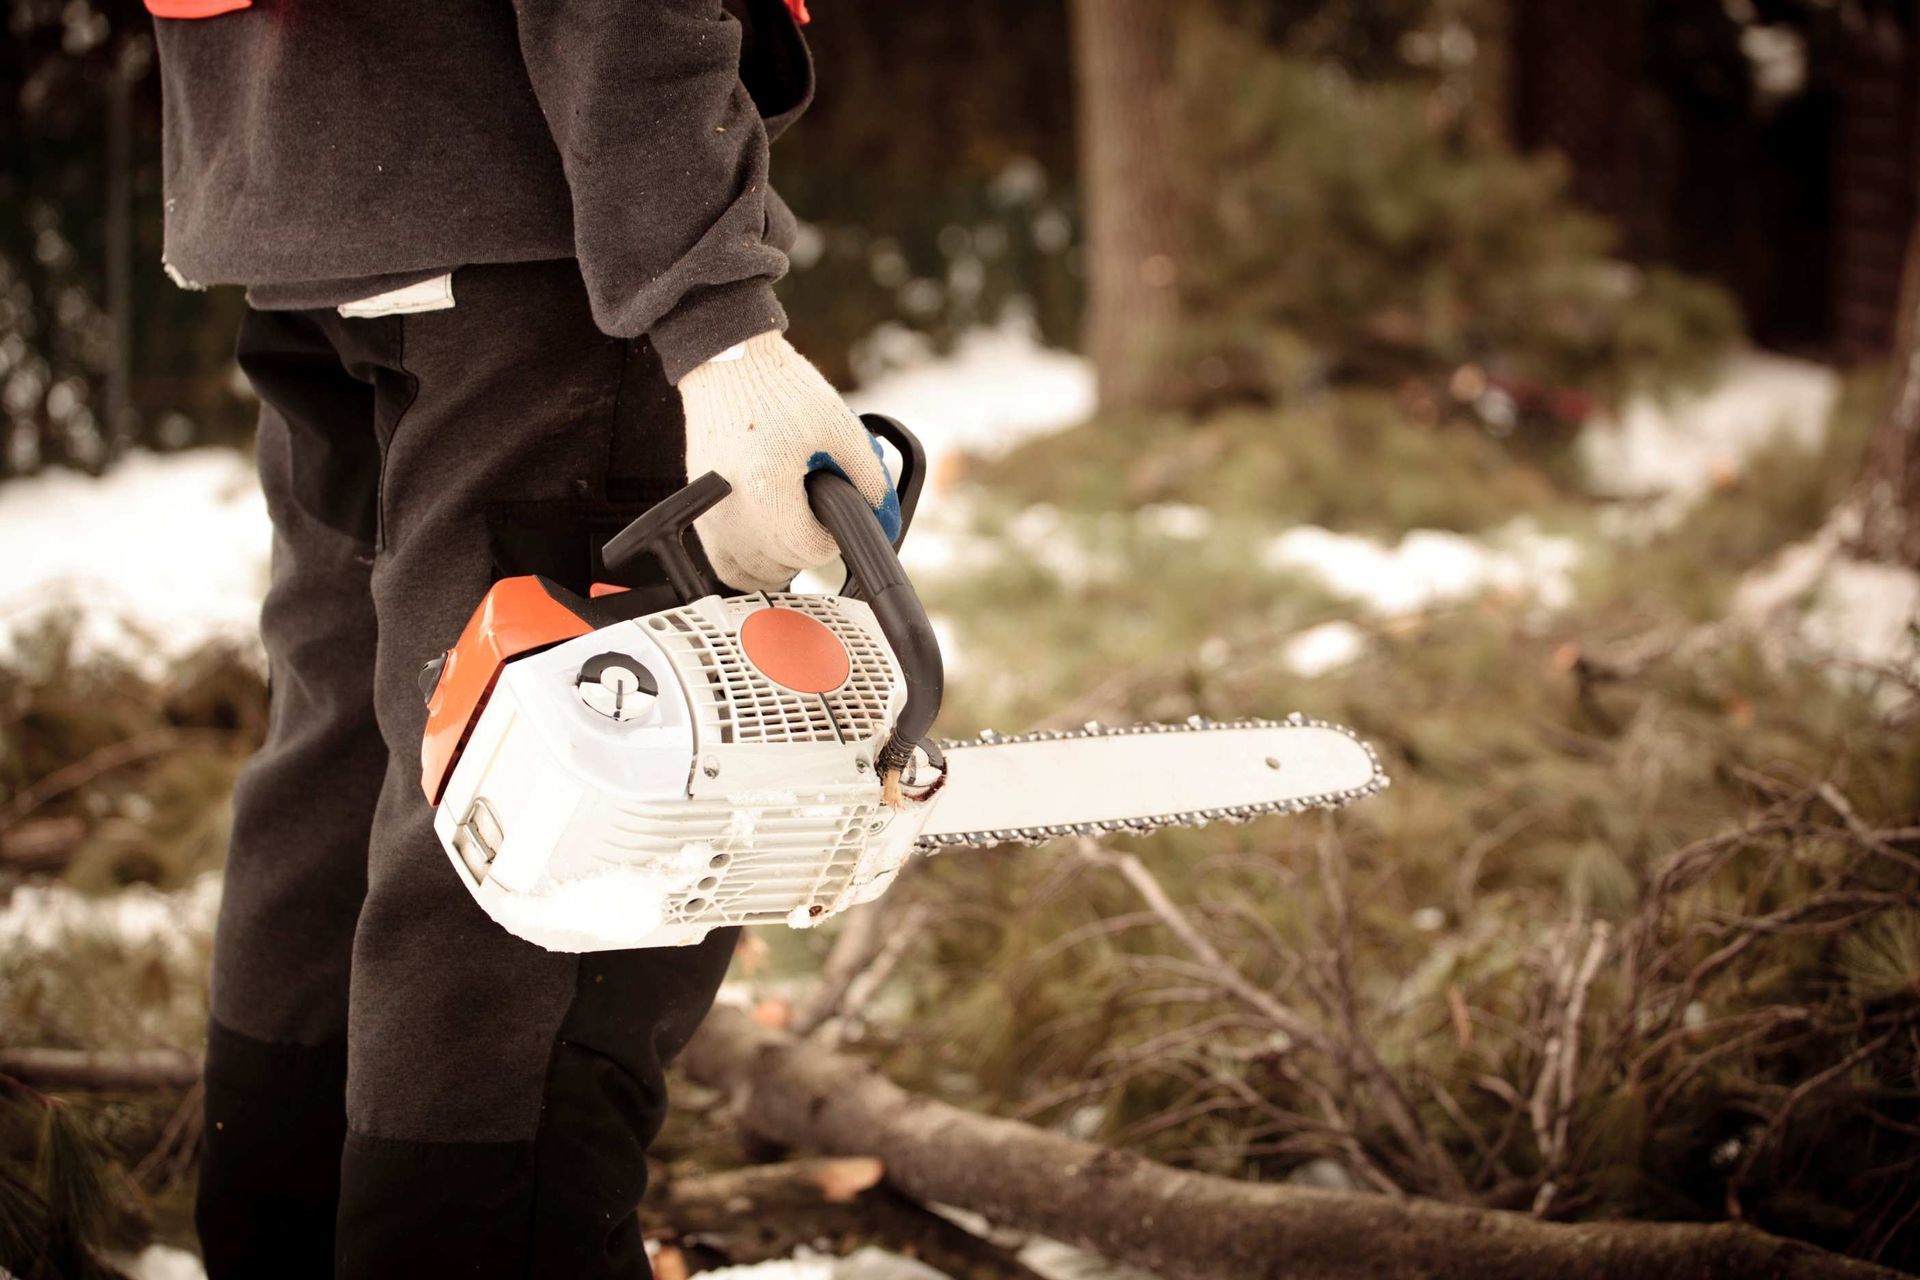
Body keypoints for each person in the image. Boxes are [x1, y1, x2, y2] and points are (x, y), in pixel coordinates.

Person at [146, 1, 896, 1275]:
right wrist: (712, 318)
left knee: (360, 755)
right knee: (555, 836)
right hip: (536, 234)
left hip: (309, 206)